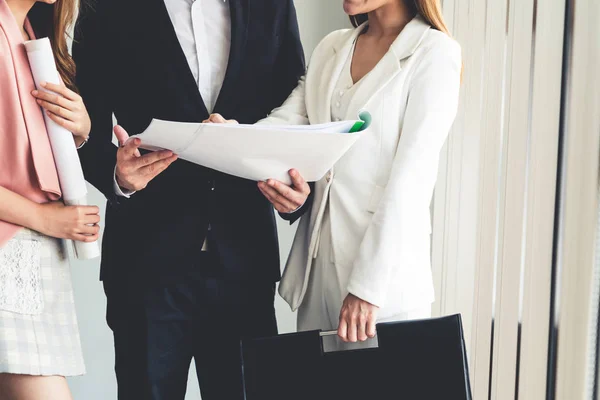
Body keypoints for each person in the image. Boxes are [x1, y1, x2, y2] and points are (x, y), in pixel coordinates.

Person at [73, 0, 305, 398]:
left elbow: (297, 112)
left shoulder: (273, 4)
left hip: (244, 263)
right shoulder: (107, 7)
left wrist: (297, 189)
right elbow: (81, 126)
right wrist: (115, 175)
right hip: (145, 266)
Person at [207, 0, 462, 351]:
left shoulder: (435, 53)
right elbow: (287, 124)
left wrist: (367, 289)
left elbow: (410, 184)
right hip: (318, 276)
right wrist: (231, 135)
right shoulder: (333, 46)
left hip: (382, 287)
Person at [0, 0, 98, 398]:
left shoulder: (28, 34)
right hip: (14, 245)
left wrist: (81, 128)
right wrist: (48, 220)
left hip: (36, 257)